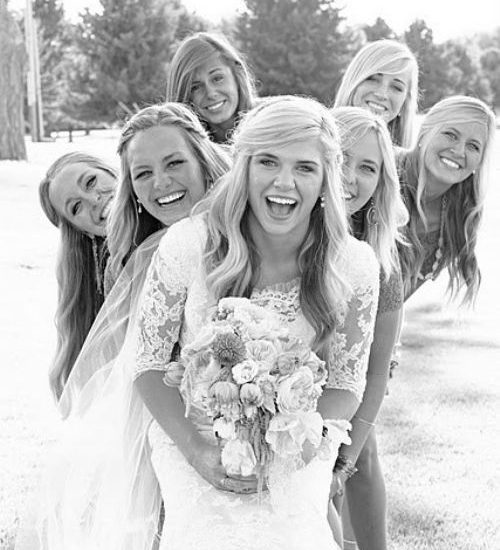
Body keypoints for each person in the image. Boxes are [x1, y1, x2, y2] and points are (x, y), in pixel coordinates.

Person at [132, 95, 380, 550]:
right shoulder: (189, 244)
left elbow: (347, 384)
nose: (284, 182)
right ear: (243, 168)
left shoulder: (354, 264)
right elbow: (147, 366)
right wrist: (198, 451)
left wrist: (294, 448)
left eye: (304, 167)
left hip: (297, 444)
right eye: (268, 161)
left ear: (326, 179)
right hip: (196, 439)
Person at [331, 107, 408, 550]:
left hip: (335, 420)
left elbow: (376, 373)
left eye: (368, 168)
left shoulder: (381, 263)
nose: (351, 177)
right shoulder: (274, 237)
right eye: (342, 158)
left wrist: (344, 463)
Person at [104, 101, 231, 291]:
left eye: (174, 163)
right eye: (144, 173)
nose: (161, 183)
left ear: (204, 163)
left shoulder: (249, 235)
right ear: (132, 189)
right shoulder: (123, 265)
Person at [398, 95, 496, 304]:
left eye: (473, 146)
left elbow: (395, 302)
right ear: (425, 131)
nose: (459, 151)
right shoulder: (382, 170)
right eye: (451, 135)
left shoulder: (459, 215)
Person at [38, 152, 117, 401]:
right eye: (76, 207)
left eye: (91, 181)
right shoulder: (115, 281)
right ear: (83, 232)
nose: (93, 200)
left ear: (112, 172)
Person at [165, 32, 257, 143]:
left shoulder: (271, 126)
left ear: (237, 75)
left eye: (217, 78)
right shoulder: (180, 148)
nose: (210, 93)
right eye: (195, 87)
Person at [334, 39, 418, 147]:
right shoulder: (316, 142)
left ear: (405, 102)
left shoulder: (408, 157)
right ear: (353, 81)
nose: (382, 94)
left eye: (396, 87)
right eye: (373, 79)